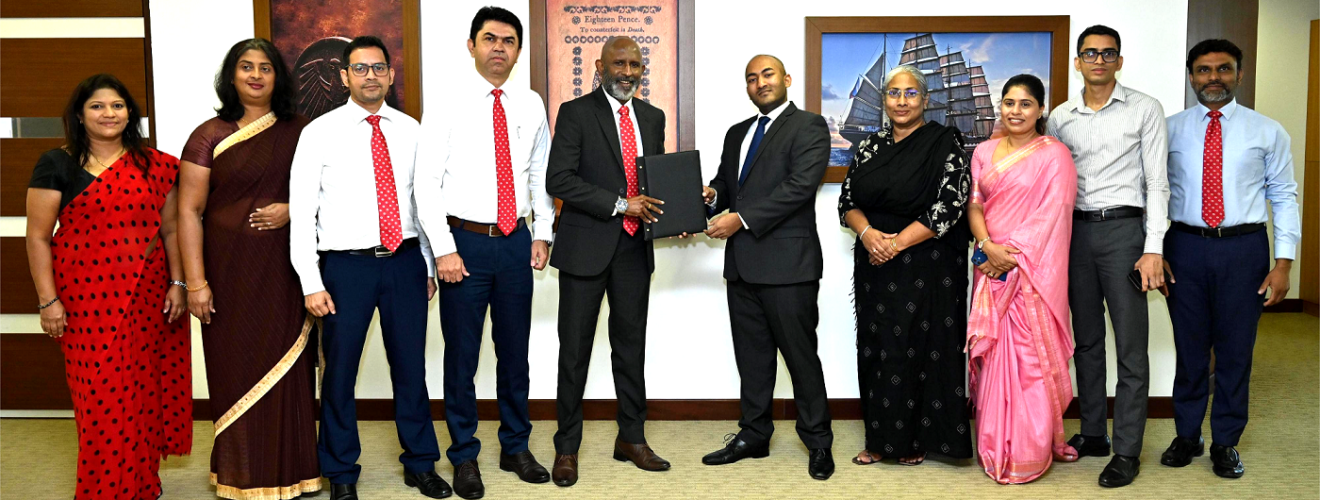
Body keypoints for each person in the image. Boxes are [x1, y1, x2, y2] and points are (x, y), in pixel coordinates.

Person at [288, 36, 449, 500]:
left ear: (391, 75)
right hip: (345, 269)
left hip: (404, 263)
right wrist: (310, 281)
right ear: (344, 77)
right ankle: (340, 472)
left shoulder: (411, 129)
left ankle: (420, 463)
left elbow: (422, 201)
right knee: (340, 372)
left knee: (410, 369)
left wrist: (428, 264)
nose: (370, 76)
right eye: (360, 68)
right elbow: (302, 211)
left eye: (378, 67)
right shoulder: (319, 132)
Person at [26, 73, 192, 500]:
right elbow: (38, 237)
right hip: (84, 302)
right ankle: (102, 489)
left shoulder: (156, 165)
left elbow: (172, 230)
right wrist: (48, 300)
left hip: (145, 297)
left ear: (130, 114)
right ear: (80, 115)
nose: (108, 114)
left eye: (117, 105)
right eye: (97, 106)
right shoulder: (57, 163)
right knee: (99, 396)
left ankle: (141, 483)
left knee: (141, 392)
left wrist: (178, 283)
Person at [415, 7, 553, 498]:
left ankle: (516, 446)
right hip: (464, 244)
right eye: (490, 38)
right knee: (462, 357)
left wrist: (542, 233)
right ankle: (464, 456)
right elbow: (425, 182)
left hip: (515, 242)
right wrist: (443, 250)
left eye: (508, 41)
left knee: (515, 354)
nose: (499, 48)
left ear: (518, 51)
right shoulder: (447, 102)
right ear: (471, 45)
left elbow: (539, 173)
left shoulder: (531, 104)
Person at [177, 38, 320, 500]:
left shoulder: (301, 130)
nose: (256, 75)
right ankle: (239, 475)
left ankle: (295, 473)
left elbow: (328, 189)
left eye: (265, 67)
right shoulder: (208, 134)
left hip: (285, 272)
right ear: (231, 75)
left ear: (278, 77)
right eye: (246, 67)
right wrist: (195, 282)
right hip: (227, 275)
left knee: (290, 368)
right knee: (235, 369)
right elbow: (188, 212)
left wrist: (293, 209)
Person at [1159, 39, 1298, 480]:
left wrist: (1284, 263)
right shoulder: (1168, 129)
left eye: (1223, 69)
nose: (1213, 77)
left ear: (1239, 74)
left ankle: (1225, 441)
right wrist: (1155, 251)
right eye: (1203, 70)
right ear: (1191, 77)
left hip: (1244, 249)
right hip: (1184, 247)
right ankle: (1187, 435)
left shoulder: (1268, 131)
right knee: (1190, 348)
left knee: (1236, 350)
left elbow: (1285, 196)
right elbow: (1154, 193)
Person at [698, 54, 835, 480]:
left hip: (789, 266)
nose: (760, 83)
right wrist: (710, 196)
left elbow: (799, 187)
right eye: (752, 78)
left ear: (787, 79)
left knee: (800, 358)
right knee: (752, 360)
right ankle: (754, 435)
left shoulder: (809, 126)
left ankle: (818, 442)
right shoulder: (737, 132)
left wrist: (739, 219)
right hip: (742, 266)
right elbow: (728, 185)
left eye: (768, 74)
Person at [1045, 24, 1169, 488]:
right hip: (1074, 235)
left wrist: (1153, 248)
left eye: (1108, 53)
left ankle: (1127, 450)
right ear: (1078, 61)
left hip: (1125, 233)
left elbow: (1158, 183)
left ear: (1119, 60)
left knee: (1132, 347)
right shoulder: (1060, 118)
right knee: (1087, 341)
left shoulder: (1145, 109)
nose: (1099, 60)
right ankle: (1094, 432)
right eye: (1090, 53)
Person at [545, 36, 670, 487]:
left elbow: (654, 182)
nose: (628, 72)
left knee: (631, 349)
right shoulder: (576, 113)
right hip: (585, 249)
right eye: (619, 63)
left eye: (635, 64)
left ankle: (631, 439)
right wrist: (620, 205)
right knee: (574, 352)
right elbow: (559, 179)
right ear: (600, 67)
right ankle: (567, 447)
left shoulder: (653, 117)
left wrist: (680, 207)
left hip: (635, 251)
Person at [836, 64, 973, 469]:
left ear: (925, 100)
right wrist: (868, 236)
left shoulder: (945, 142)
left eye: (911, 93)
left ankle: (918, 440)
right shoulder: (870, 145)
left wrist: (895, 243)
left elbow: (950, 204)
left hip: (927, 263)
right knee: (879, 350)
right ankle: (881, 439)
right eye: (893, 93)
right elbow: (847, 201)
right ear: (884, 100)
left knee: (922, 350)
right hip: (874, 262)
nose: (901, 101)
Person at [966, 74, 1079, 484]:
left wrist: (1006, 256)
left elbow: (1054, 213)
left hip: (1032, 274)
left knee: (1031, 361)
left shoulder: (1055, 156)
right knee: (994, 356)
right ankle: (995, 444)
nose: (1015, 111)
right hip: (988, 266)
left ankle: (1029, 451)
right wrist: (987, 247)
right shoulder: (983, 151)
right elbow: (974, 204)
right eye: (1009, 103)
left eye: (1025, 103)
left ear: (1041, 109)